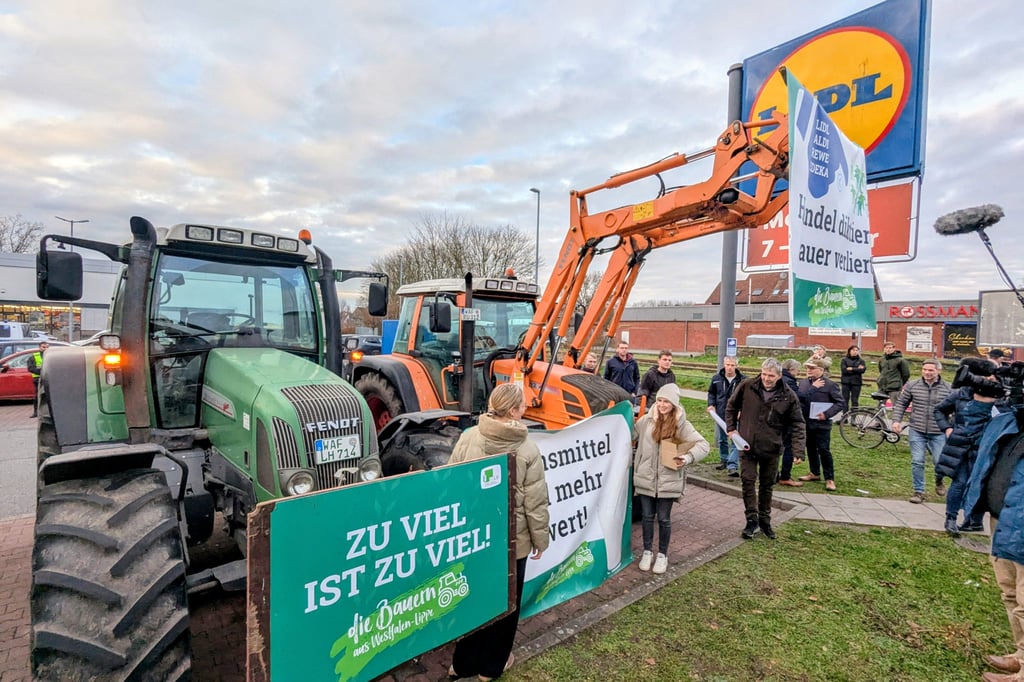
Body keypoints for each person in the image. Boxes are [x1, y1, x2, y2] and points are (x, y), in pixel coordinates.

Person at [448, 383, 549, 681]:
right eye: (523, 404)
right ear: (514, 409)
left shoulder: (468, 438)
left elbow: (451, 484)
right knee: (507, 605)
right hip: (512, 543)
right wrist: (540, 539)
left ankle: (462, 664)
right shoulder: (528, 448)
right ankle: (491, 668)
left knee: (472, 598)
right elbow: (535, 502)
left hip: (475, 539)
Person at [962, 409, 1024, 682]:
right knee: (1009, 593)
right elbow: (970, 436)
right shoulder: (1011, 420)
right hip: (1002, 519)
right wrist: (981, 400)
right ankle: (1021, 654)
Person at [632, 383, 709, 574]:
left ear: (674, 403)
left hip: (668, 480)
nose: (662, 404)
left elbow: (703, 445)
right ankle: (647, 551)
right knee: (647, 518)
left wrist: (687, 457)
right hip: (646, 478)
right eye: (659, 400)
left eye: (666, 401)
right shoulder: (646, 421)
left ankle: (662, 555)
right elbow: (630, 434)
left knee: (664, 519)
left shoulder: (681, 424)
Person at [726, 358, 806, 540]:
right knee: (747, 480)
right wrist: (731, 428)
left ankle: (765, 520)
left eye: (771, 375)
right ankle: (751, 520)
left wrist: (798, 449)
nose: (766, 378)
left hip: (771, 447)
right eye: (764, 374)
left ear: (779, 376)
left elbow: (798, 423)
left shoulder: (788, 395)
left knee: (767, 484)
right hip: (747, 445)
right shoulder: (747, 386)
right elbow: (731, 406)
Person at [934, 359, 1005, 537]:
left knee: (981, 483)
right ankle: (951, 518)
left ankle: (973, 521)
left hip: (987, 448)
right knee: (960, 482)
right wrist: (947, 428)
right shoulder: (961, 393)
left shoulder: (1000, 396)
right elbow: (939, 410)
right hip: (962, 446)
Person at [892, 359, 952, 504]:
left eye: (930, 370)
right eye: (924, 369)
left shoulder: (948, 388)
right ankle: (918, 491)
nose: (927, 372)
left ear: (938, 371)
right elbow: (901, 403)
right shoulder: (913, 385)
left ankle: (939, 480)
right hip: (917, 429)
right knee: (917, 461)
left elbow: (955, 408)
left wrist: (951, 426)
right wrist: (896, 420)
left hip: (938, 431)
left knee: (939, 461)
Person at [796, 358, 845, 491]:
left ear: (821, 370)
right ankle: (814, 473)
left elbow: (840, 403)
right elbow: (800, 399)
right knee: (810, 448)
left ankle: (829, 478)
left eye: (812, 368)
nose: (809, 370)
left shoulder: (830, 385)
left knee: (824, 450)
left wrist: (827, 414)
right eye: (807, 368)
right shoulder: (803, 383)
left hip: (822, 424)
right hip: (806, 421)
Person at [707, 356, 745, 476]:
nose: (729, 367)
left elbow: (746, 397)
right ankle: (724, 459)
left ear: (736, 366)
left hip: (736, 415)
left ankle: (732, 465)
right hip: (721, 413)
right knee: (722, 439)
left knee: (735, 439)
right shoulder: (716, 378)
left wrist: (741, 410)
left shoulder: (743, 380)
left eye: (732, 365)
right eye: (727, 365)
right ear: (724, 364)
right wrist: (711, 405)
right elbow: (711, 393)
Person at [777, 359, 805, 486]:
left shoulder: (780, 378)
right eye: (797, 370)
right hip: (786, 420)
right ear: (791, 370)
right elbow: (798, 397)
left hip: (777, 419)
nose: (798, 373)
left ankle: (773, 475)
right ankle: (785, 476)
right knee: (788, 448)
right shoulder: (790, 382)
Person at [878, 341, 911, 406]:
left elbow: (906, 374)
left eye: (890, 348)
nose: (888, 349)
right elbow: (881, 371)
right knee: (880, 406)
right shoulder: (882, 360)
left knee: (896, 406)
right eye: (887, 348)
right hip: (883, 386)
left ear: (894, 349)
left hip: (895, 387)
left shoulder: (901, 360)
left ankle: (895, 416)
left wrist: (900, 382)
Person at [840, 344, 867, 409]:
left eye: (856, 350)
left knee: (855, 400)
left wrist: (852, 369)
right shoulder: (844, 360)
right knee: (845, 399)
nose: (855, 351)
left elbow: (862, 370)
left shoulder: (861, 361)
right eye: (853, 350)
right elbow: (844, 370)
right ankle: (845, 416)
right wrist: (857, 369)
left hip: (856, 383)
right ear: (849, 351)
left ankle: (854, 416)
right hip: (846, 382)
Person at [27, 341, 49, 418]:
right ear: (39, 347)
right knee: (37, 396)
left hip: (49, 379)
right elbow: (30, 368)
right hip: (38, 379)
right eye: (43, 347)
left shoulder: (51, 356)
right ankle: (36, 412)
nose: (45, 348)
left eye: (47, 347)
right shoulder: (34, 356)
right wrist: (41, 372)